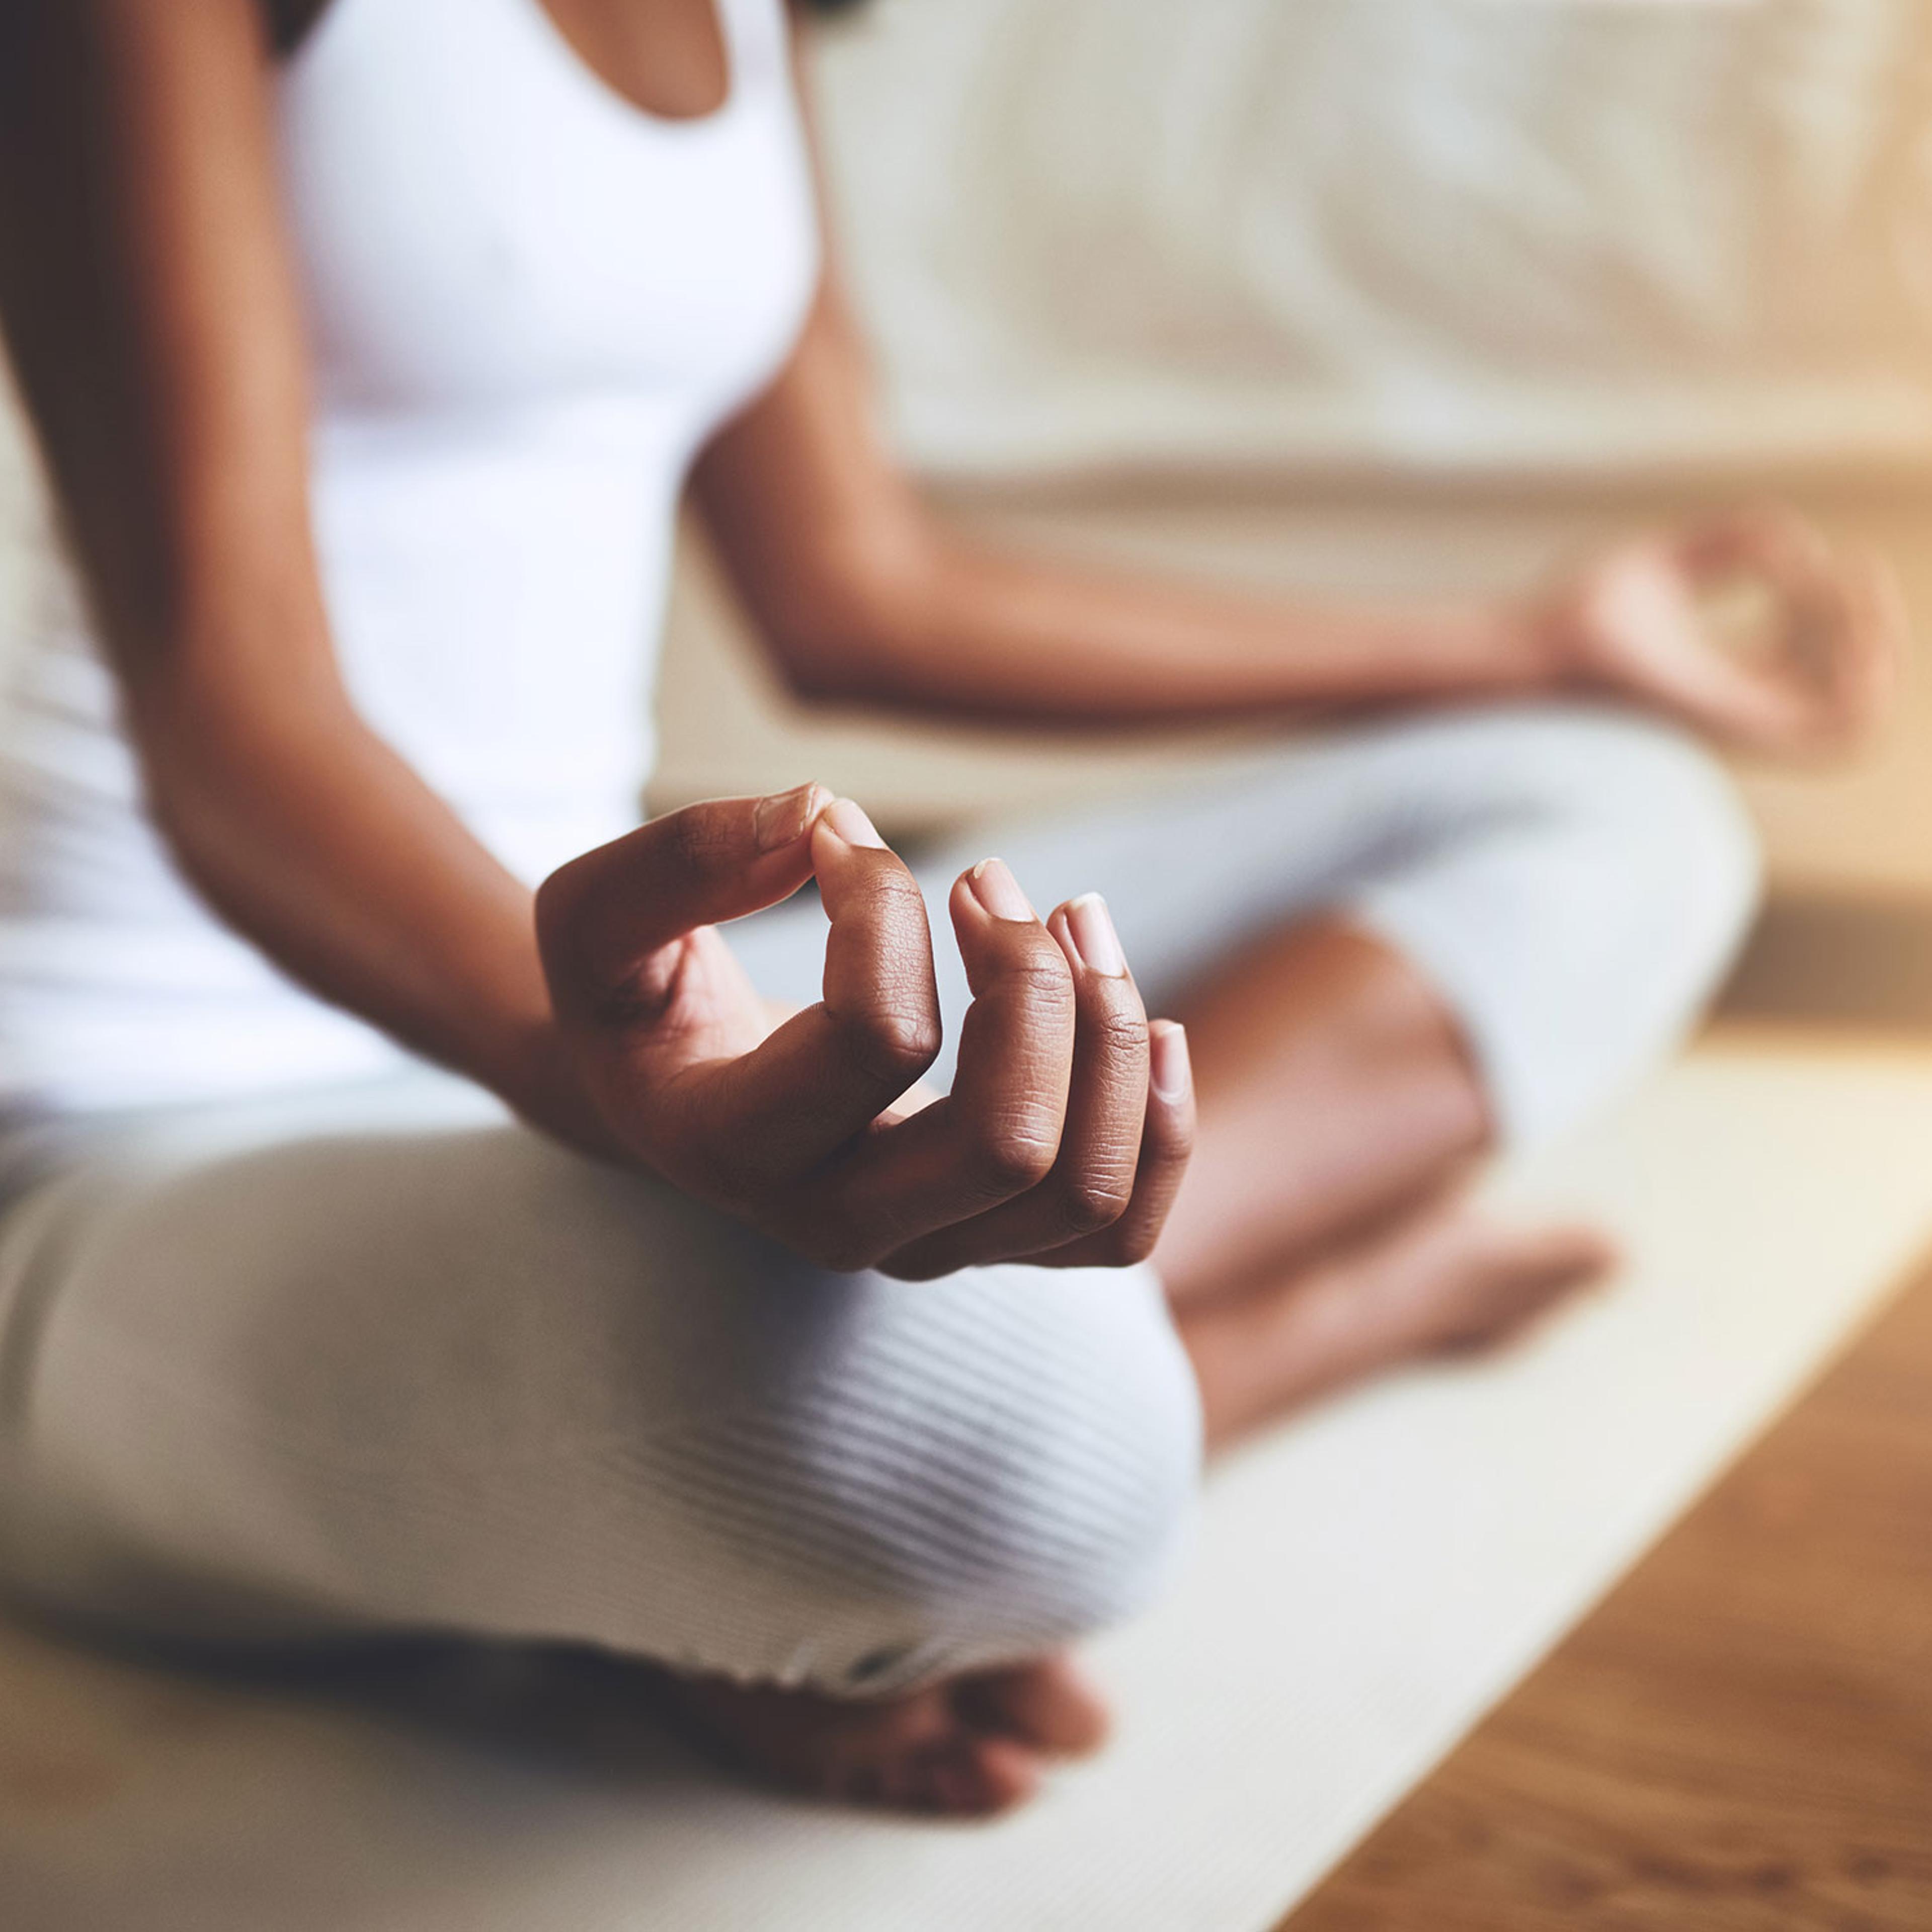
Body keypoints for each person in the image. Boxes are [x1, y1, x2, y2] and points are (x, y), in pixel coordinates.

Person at [0, 0, 1902, 1817]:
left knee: (1603, 796)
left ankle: (832, 1473)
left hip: (630, 1014)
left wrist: (1523, 640)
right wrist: (591, 1073)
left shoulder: (752, 19)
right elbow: (232, 711)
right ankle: (1278, 1319)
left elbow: (863, 579)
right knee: (1038, 1445)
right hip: (150, 1130)